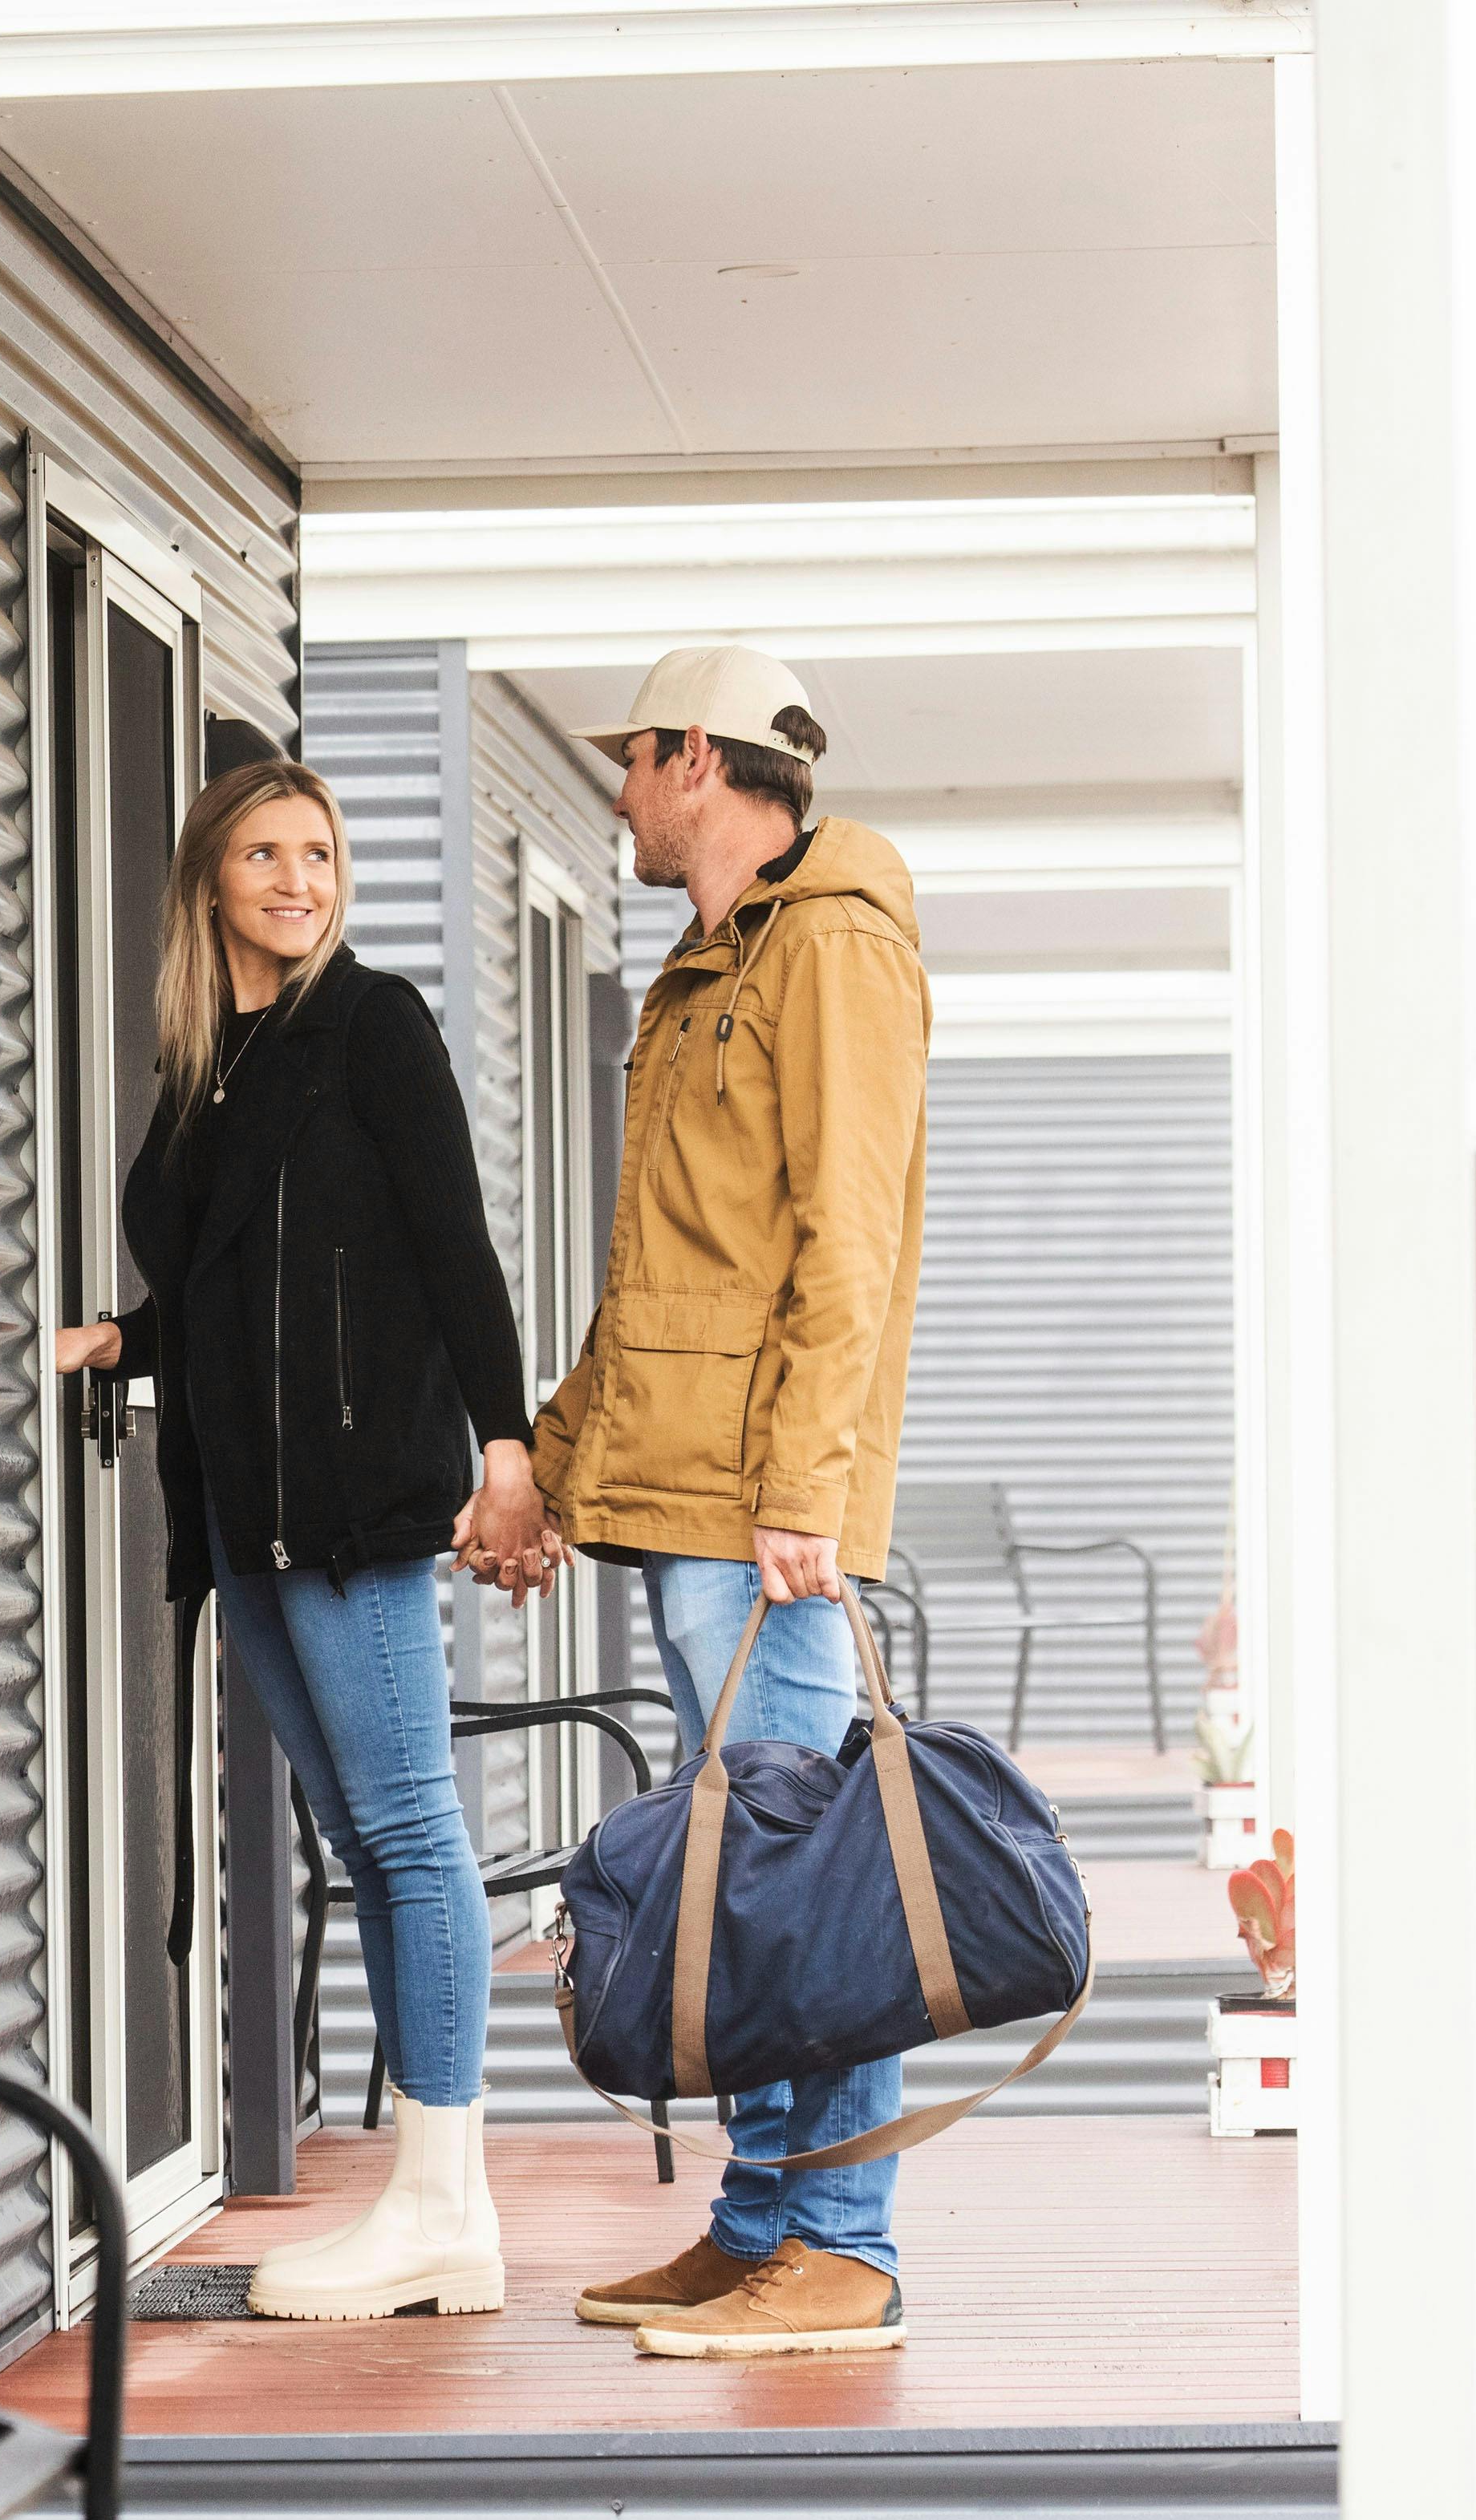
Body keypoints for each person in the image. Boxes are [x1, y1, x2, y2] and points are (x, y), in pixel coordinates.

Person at [49, 756, 545, 2323]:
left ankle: (445, 2202)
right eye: (265, 856)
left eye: (317, 855)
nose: (297, 882)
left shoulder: (370, 1030)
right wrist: (107, 1348)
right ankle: (425, 2199)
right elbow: (213, 1298)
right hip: (244, 1522)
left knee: (410, 1834)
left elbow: (456, 1248)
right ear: (213, 881)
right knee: (366, 1840)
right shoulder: (209, 1061)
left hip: (352, 1511)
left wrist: (508, 1445)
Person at [500, 645, 935, 2360]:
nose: (615, 791)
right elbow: (661, 1274)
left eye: (630, 762)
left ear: (695, 758)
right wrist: (548, 1455)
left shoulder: (827, 944)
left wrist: (809, 1488)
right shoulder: (715, 958)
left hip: (764, 1516)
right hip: (691, 1505)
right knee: (738, 1888)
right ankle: (761, 2223)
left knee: (809, 1881)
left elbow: (851, 1234)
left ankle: (843, 2244)